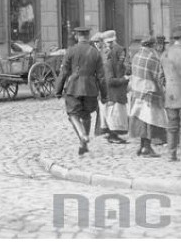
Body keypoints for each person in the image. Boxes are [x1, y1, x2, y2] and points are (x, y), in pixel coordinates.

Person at [54, 26, 108, 156]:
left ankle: (83, 135)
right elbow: (101, 77)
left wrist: (58, 90)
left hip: (74, 88)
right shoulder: (95, 53)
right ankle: (83, 145)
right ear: (88, 36)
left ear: (77, 36)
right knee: (86, 115)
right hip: (90, 89)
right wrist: (104, 95)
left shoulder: (71, 51)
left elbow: (64, 72)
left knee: (73, 114)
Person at [128, 36, 168, 157]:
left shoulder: (136, 56)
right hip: (149, 94)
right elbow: (159, 77)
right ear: (153, 45)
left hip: (136, 92)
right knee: (149, 121)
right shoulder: (153, 58)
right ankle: (147, 147)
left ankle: (141, 146)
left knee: (140, 119)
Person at [100, 30, 130, 144]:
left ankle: (111, 133)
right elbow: (112, 78)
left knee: (112, 111)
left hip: (111, 86)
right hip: (115, 87)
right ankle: (113, 135)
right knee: (115, 112)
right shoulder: (115, 52)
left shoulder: (107, 53)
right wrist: (124, 79)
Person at [161, 26, 181, 162]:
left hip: (170, 94)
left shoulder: (165, 54)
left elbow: (160, 77)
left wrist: (168, 86)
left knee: (172, 125)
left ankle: (171, 154)